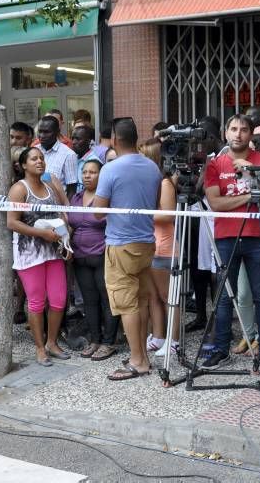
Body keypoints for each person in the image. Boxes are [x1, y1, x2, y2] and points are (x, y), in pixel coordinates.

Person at [203, 114, 260, 370]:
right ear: (225, 133)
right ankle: (221, 349)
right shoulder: (215, 165)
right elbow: (216, 204)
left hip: (259, 235)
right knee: (225, 297)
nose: (238, 134)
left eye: (243, 129)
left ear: (250, 134)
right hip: (226, 237)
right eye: (233, 129)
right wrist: (248, 198)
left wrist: (251, 171)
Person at [93, 118, 162, 381]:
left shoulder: (110, 169)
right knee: (141, 300)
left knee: (127, 304)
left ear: (115, 139)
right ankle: (141, 356)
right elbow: (155, 205)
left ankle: (137, 361)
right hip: (146, 242)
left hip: (121, 244)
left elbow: (99, 212)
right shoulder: (152, 167)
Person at [7, 147, 70, 366]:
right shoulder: (18, 189)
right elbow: (12, 222)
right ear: (24, 165)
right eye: (34, 159)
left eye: (41, 158)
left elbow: (61, 213)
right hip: (29, 252)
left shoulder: (50, 186)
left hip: (53, 250)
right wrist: (42, 233)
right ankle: (39, 347)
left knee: (59, 298)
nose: (39, 161)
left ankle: (52, 342)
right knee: (36, 302)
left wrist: (66, 238)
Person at [69, 159, 118, 361]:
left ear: (102, 175)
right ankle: (95, 340)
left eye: (93, 172)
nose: (87, 175)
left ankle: (109, 342)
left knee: (107, 300)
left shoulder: (107, 198)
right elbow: (71, 223)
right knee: (89, 301)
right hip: (80, 256)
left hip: (101, 255)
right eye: (85, 172)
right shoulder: (76, 197)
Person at [139, 139, 179, 357]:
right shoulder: (149, 183)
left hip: (164, 246)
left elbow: (168, 214)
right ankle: (158, 336)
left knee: (168, 296)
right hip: (149, 244)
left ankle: (174, 340)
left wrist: (142, 213)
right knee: (152, 295)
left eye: (144, 156)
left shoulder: (164, 183)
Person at [71, 124, 103, 193]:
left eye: (78, 139)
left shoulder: (95, 162)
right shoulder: (72, 158)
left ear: (88, 141)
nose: (73, 142)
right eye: (72, 138)